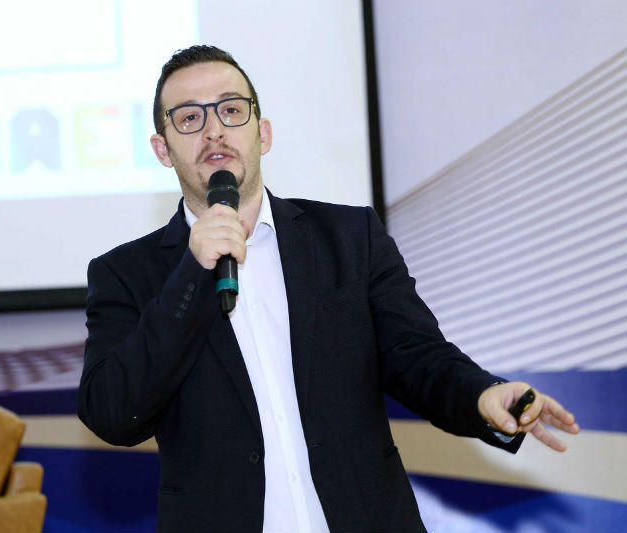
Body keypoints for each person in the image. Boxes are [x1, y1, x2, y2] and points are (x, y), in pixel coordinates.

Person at [77, 45, 580, 533]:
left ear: (263, 133)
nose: (214, 131)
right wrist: (192, 271)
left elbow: (417, 355)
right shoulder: (125, 273)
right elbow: (113, 413)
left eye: (230, 110)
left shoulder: (349, 238)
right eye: (190, 118)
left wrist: (482, 394)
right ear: (162, 149)